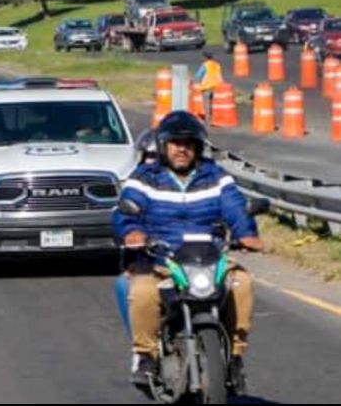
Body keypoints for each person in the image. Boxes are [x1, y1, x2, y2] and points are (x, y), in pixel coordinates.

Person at [113, 111, 266, 387]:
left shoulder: (216, 176)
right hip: (161, 259)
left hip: (210, 258)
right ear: (163, 146)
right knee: (143, 291)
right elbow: (125, 211)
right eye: (175, 143)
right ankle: (146, 356)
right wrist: (133, 232)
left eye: (188, 143)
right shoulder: (145, 177)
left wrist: (246, 234)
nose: (182, 149)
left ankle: (235, 358)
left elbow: (235, 207)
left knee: (242, 282)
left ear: (198, 147)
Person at [196, 52, 224, 118]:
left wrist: (198, 82)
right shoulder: (217, 65)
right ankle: (215, 114)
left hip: (207, 85)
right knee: (214, 101)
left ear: (205, 58)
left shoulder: (205, 65)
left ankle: (208, 115)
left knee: (207, 101)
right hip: (217, 85)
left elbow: (198, 76)